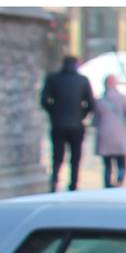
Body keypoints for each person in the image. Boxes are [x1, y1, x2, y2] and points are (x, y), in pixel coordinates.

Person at [39, 54, 92, 193]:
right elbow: (91, 104)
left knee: (57, 156)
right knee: (75, 158)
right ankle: (73, 184)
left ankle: (54, 181)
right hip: (76, 125)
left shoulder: (53, 79)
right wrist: (81, 114)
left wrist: (54, 112)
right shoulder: (82, 81)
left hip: (58, 124)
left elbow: (44, 100)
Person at [93, 72, 126, 188]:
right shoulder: (123, 99)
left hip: (104, 136)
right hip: (120, 135)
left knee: (107, 165)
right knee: (121, 162)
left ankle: (107, 184)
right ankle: (119, 180)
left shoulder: (99, 101)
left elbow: (95, 121)